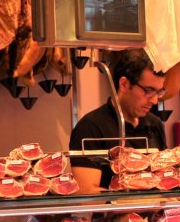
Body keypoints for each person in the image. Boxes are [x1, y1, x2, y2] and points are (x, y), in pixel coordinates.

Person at [69, 49, 168, 192]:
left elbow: (164, 179)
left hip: (156, 214)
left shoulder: (155, 124)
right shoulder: (90, 127)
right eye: (148, 91)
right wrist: (147, 202)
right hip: (111, 214)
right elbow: (86, 192)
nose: (154, 100)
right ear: (124, 84)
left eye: (159, 92)